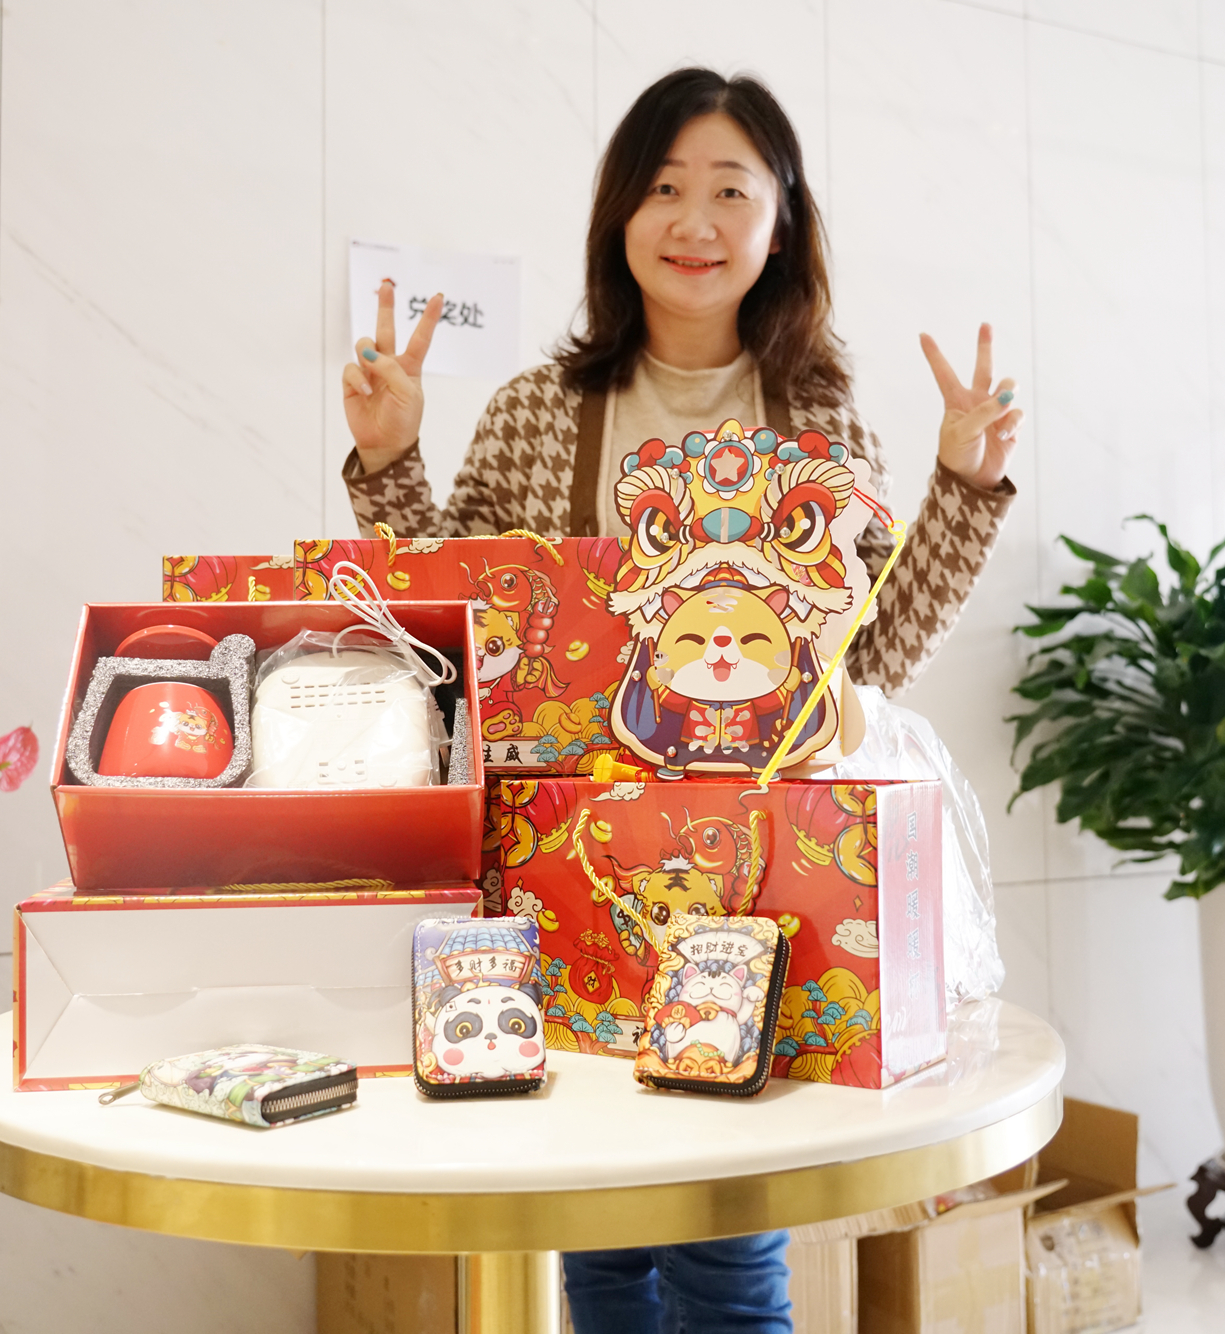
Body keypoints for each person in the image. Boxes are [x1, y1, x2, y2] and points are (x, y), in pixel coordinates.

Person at [339, 66, 1020, 1334]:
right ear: (619, 213)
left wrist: (961, 485)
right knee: (596, 1235)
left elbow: (870, 655)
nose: (693, 220)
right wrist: (388, 461)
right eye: (662, 187)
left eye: (728, 190)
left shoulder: (819, 420)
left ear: (781, 223)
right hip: (567, 863)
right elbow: (453, 633)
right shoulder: (536, 410)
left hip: (756, 876)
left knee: (724, 1248)